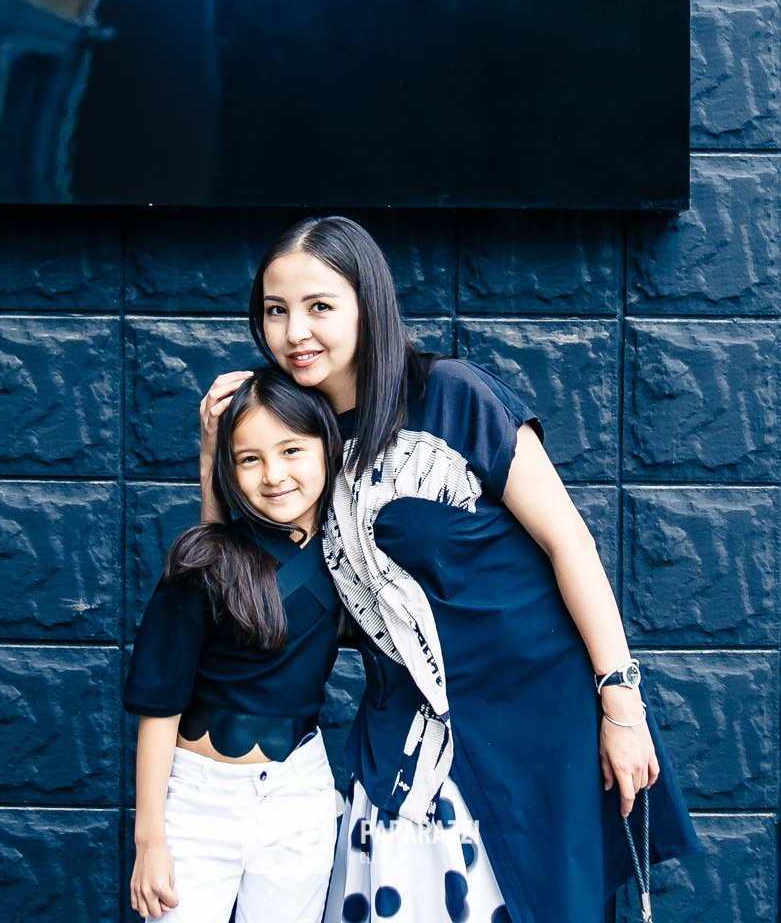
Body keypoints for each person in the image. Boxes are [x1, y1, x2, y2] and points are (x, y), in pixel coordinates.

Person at [200, 216, 699, 923]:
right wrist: (211, 464)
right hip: (407, 728)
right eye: (275, 310)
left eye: (319, 306)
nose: (294, 332)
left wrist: (622, 705)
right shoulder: (292, 439)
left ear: (367, 307)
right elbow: (240, 592)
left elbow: (569, 542)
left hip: (537, 714)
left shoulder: (453, 394)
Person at [125, 368, 343, 923]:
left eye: (291, 450)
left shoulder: (351, 558)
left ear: (327, 447)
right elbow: (159, 706)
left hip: (298, 796)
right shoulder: (203, 563)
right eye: (249, 459)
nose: (274, 475)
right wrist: (150, 839)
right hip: (198, 803)